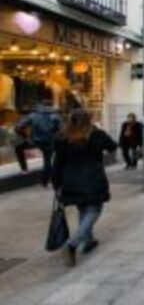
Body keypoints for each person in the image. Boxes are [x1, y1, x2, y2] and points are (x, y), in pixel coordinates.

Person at [51, 109, 117, 266]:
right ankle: (72, 243)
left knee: (83, 208)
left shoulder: (62, 137)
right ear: (88, 120)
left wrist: (57, 184)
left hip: (70, 180)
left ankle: (88, 240)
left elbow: (57, 164)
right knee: (94, 210)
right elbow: (113, 147)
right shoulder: (96, 135)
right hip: (93, 179)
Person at [15, 99, 63, 186]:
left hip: (35, 141)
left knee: (18, 148)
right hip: (49, 142)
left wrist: (25, 137)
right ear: (51, 106)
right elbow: (62, 130)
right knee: (47, 160)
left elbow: (18, 127)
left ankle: (24, 169)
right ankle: (45, 181)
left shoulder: (33, 115)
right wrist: (56, 137)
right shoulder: (55, 116)